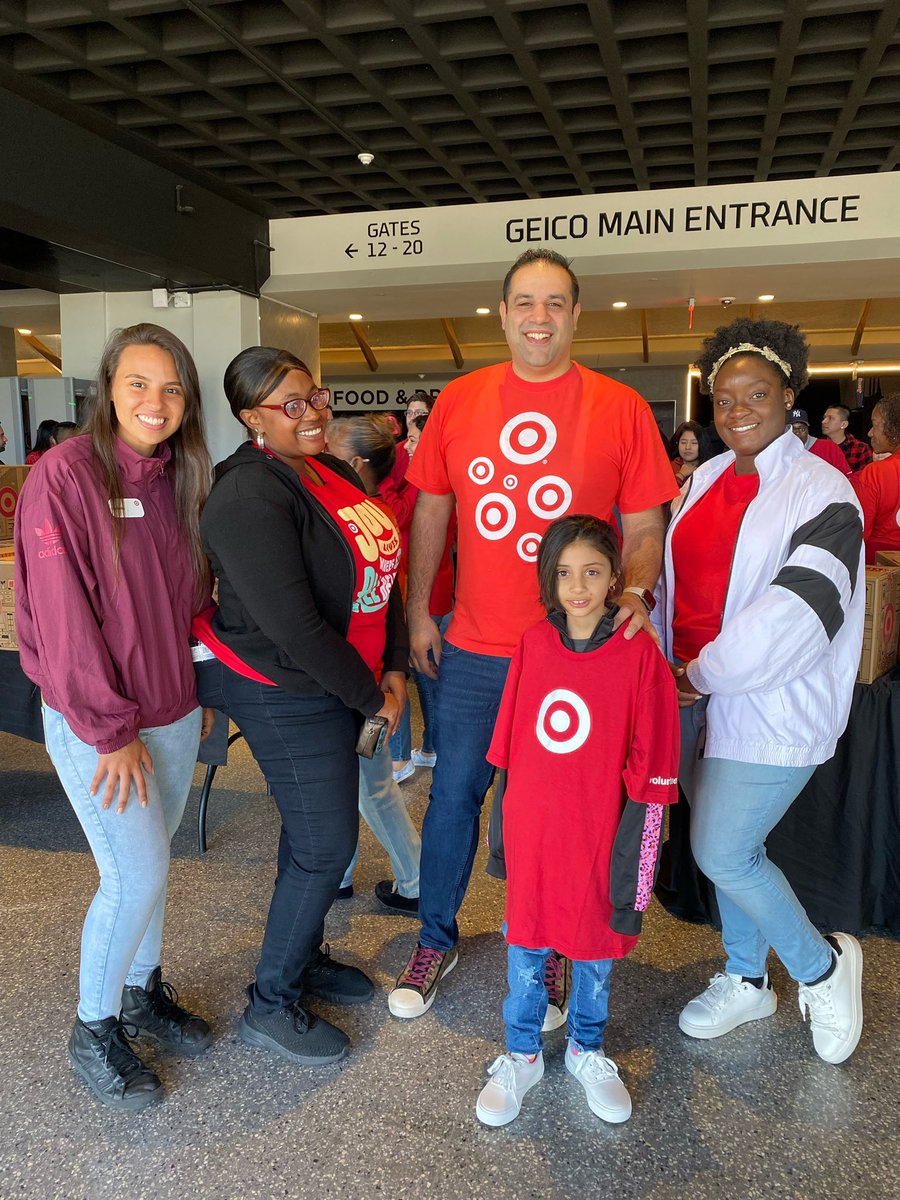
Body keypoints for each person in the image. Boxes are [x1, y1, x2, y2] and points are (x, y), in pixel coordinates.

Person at [388, 248, 679, 1021]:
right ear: (505, 313)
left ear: (576, 315)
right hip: (477, 647)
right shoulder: (461, 398)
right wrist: (421, 609)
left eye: (555, 303)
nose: (539, 317)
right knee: (454, 796)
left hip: (574, 656)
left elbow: (647, 522)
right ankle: (435, 937)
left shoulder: (619, 407)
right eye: (525, 302)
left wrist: (637, 587)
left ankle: (547, 950)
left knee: (558, 813)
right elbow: (432, 511)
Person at [14, 323, 214, 1112]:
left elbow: (191, 604)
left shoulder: (180, 479)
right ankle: (91, 1030)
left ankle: (140, 995)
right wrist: (111, 728)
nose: (154, 402)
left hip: (172, 711)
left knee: (154, 868)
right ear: (107, 388)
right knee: (135, 873)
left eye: (170, 388)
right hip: (105, 726)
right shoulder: (63, 477)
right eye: (138, 384)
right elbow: (61, 621)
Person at [193, 347, 408, 1066]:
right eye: (291, 404)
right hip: (287, 688)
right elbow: (293, 626)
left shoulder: (329, 470)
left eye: (315, 396)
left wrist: (398, 666)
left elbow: (383, 570)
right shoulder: (245, 495)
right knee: (325, 848)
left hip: (345, 681)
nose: (314, 412)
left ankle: (306, 956)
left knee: (314, 836)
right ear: (253, 417)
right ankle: (271, 1001)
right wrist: (371, 696)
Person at [663, 316, 865, 1065]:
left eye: (755, 394)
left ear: (789, 396)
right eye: (722, 399)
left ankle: (822, 968)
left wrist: (698, 674)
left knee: (724, 851)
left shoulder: (822, 489)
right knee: (733, 848)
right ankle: (747, 978)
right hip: (694, 703)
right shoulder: (708, 479)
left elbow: (794, 619)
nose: (737, 410)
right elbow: (677, 592)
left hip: (766, 703)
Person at [475, 515, 678, 1128]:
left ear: (615, 576)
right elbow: (510, 751)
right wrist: (503, 837)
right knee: (527, 944)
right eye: (564, 574)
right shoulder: (535, 645)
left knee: (594, 948)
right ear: (549, 579)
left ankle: (589, 1049)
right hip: (538, 830)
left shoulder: (639, 654)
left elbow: (653, 771)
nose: (579, 587)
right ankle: (523, 1052)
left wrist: (638, 865)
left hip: (602, 832)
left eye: (592, 572)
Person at [323, 415, 422, 915]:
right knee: (356, 784)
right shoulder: (375, 515)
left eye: (330, 444)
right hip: (368, 679)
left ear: (357, 461)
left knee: (371, 787)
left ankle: (416, 880)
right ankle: (341, 875)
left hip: (357, 686)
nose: (318, 446)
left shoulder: (352, 517)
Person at [852, 393, 900, 563]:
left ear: (894, 428)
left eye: (875, 425)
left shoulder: (875, 472)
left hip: (881, 567)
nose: (870, 433)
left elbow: (860, 532)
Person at [786, 407, 850, 475]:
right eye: (792, 429)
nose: (797, 433)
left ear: (808, 429)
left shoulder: (829, 448)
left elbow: (847, 477)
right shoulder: (780, 450)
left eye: (802, 429)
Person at [821, 404, 872, 472]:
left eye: (831, 418)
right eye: (824, 417)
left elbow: (865, 477)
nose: (823, 421)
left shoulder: (861, 449)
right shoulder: (817, 446)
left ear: (844, 424)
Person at [668, 420, 714, 485]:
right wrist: (681, 475)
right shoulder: (669, 468)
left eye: (694, 443)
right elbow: (662, 493)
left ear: (702, 444)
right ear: (677, 444)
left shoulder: (711, 468)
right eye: (683, 442)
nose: (687, 447)